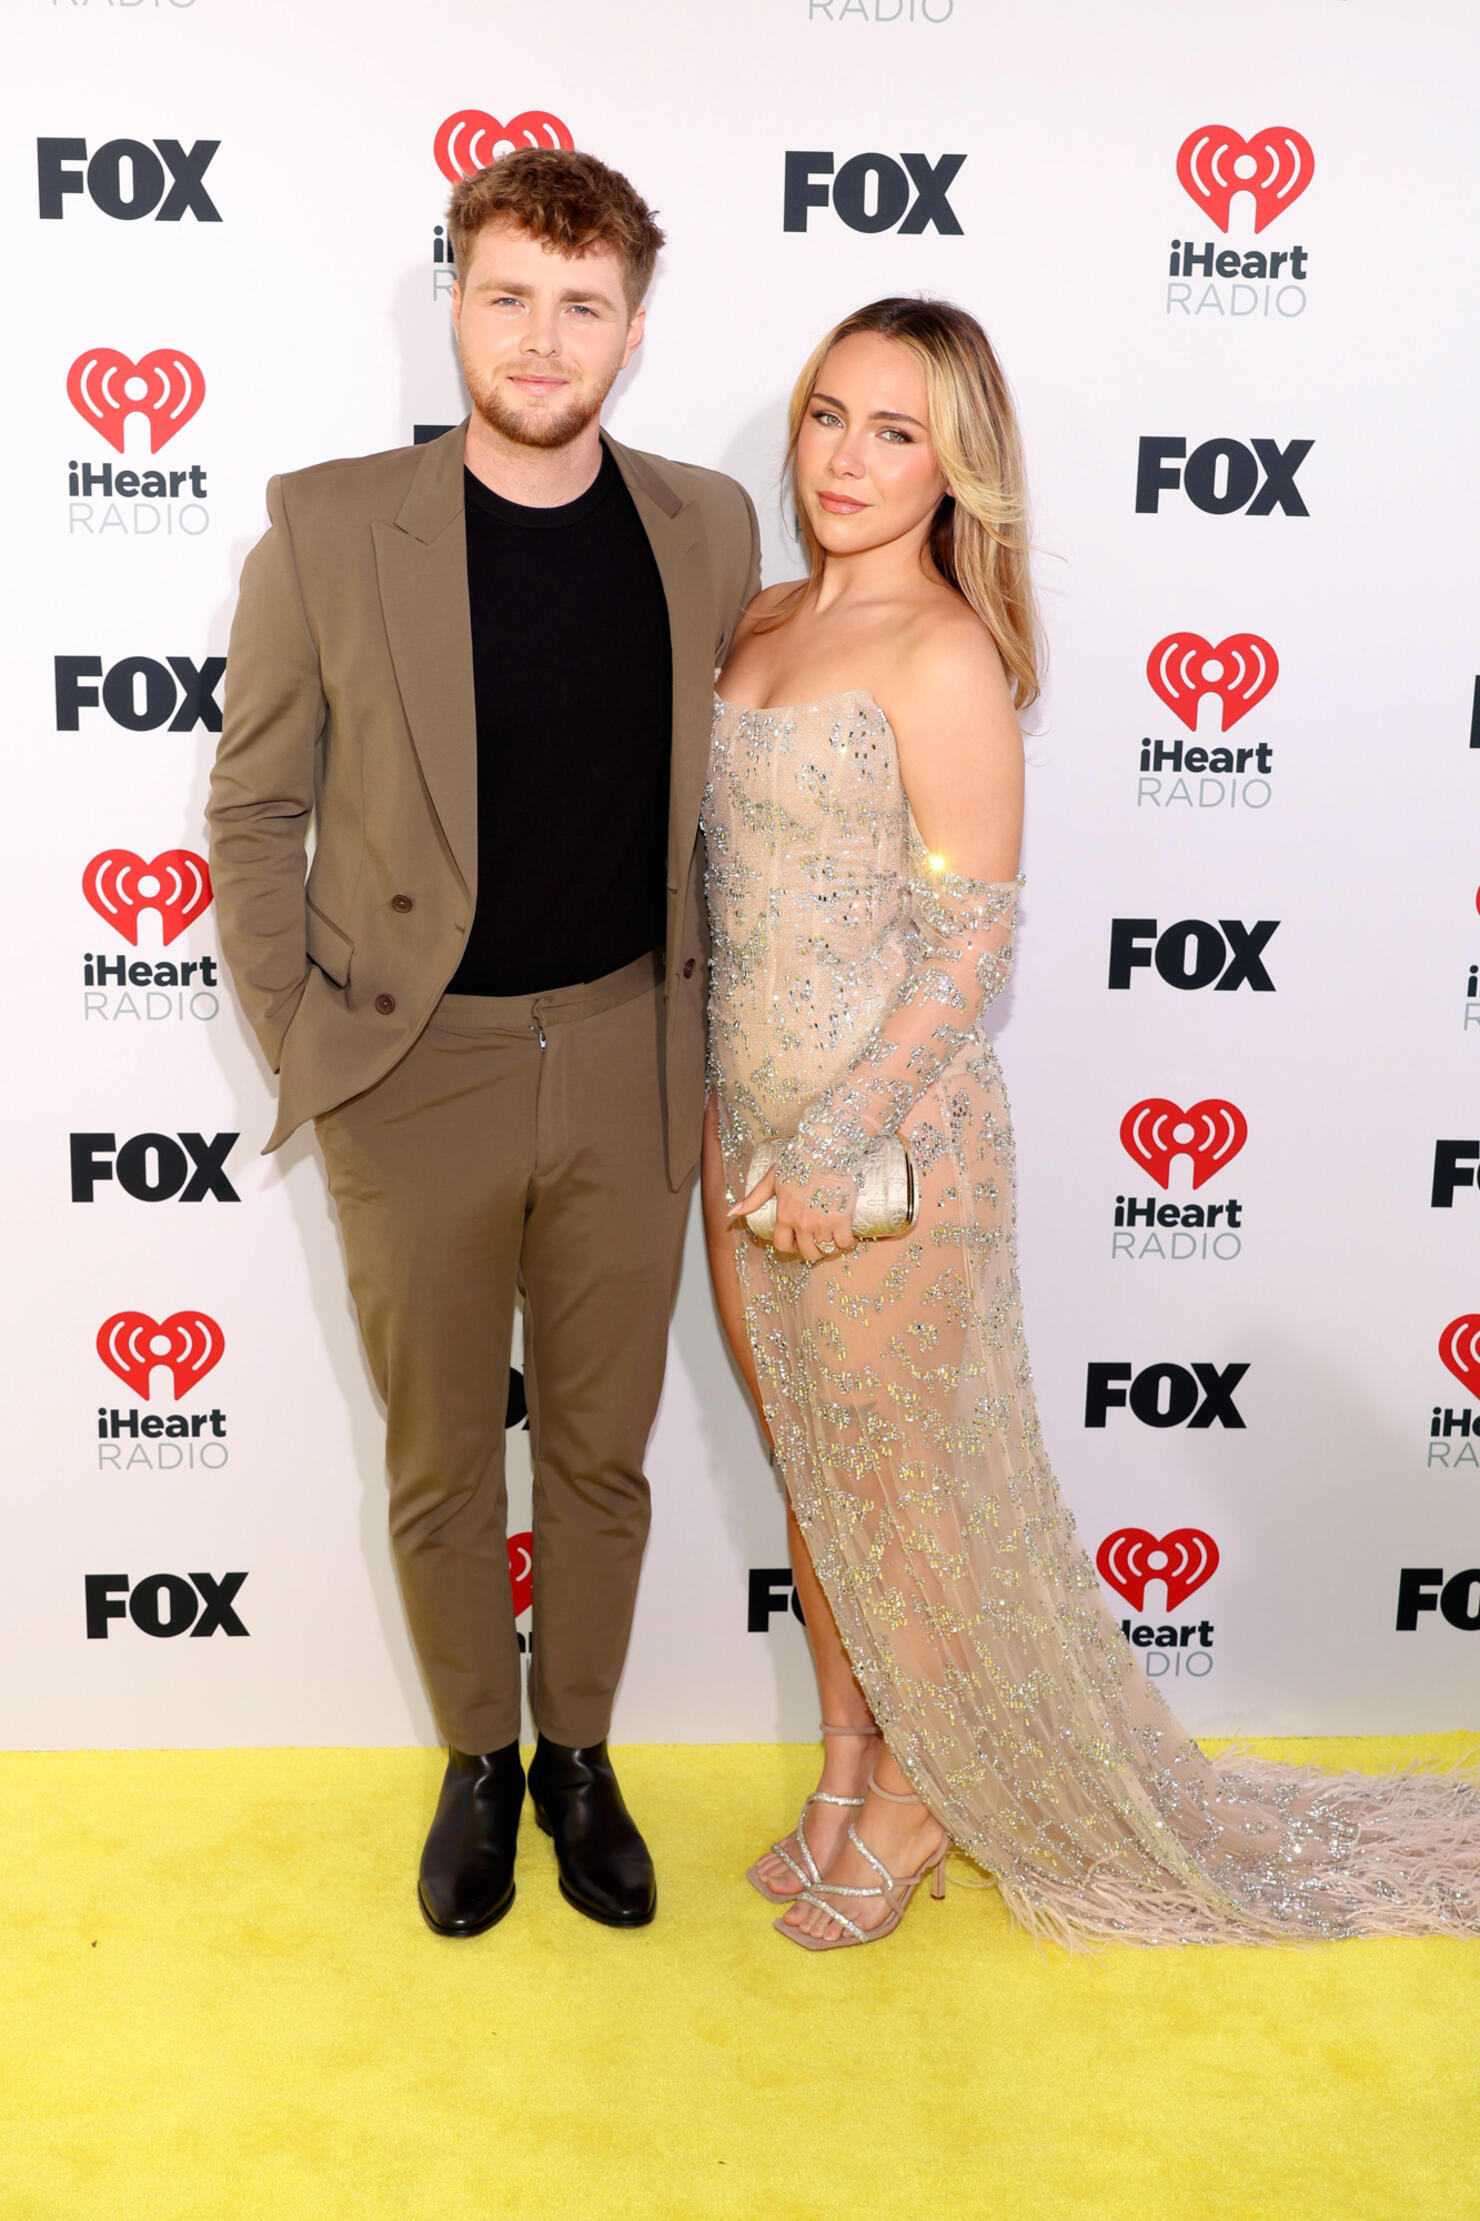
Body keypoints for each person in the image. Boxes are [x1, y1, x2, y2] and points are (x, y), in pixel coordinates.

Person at [700, 296, 1480, 1950]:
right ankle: (848, 1763)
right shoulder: (758, 618)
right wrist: (773, 1142)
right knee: (820, 1482)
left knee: (912, 1487)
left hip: (891, 1153)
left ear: (956, 469)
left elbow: (971, 939)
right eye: (831, 415)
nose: (848, 457)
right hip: (745, 1142)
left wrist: (844, 1141)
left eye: (896, 432)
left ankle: (918, 1802)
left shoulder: (941, 651)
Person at [208, 148, 759, 1939]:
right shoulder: (323, 525)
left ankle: (579, 1755)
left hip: (625, 1056)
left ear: (634, 330)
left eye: (581, 305)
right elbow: (253, 807)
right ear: (451, 299)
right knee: (444, 1451)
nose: (542, 338)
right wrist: (315, 1041)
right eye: (508, 294)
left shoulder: (710, 527)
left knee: (599, 1448)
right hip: (411, 1072)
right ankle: (475, 1761)